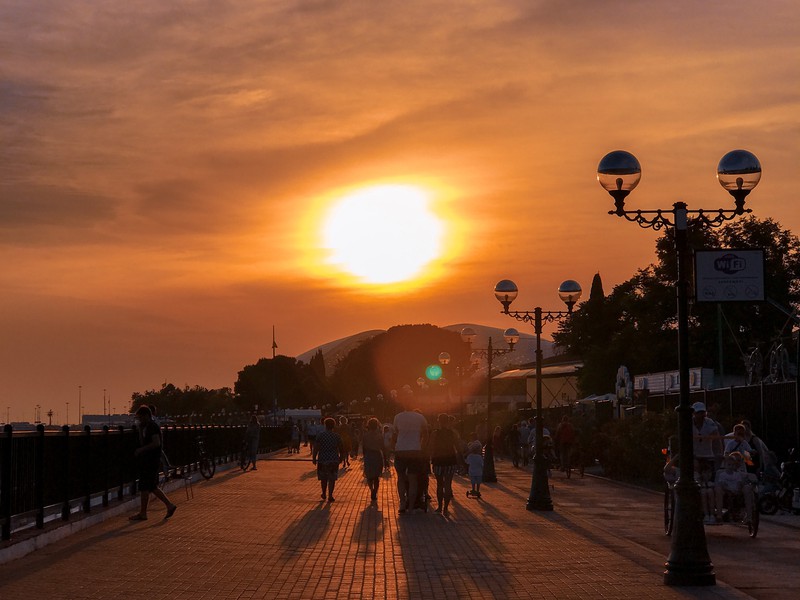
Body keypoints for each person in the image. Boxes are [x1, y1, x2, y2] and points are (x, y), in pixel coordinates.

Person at [129, 405, 177, 521]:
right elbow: (142, 441)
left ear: (146, 416)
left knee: (147, 486)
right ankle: (167, 506)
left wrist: (141, 450)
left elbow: (156, 443)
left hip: (151, 460)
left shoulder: (152, 426)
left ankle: (145, 513)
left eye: (140, 418)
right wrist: (140, 430)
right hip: (148, 460)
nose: (139, 420)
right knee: (149, 486)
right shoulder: (146, 427)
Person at [392, 386, 429, 514]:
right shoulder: (420, 417)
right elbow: (426, 433)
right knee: (413, 479)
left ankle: (402, 503)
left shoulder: (397, 417)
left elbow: (396, 433)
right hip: (415, 450)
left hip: (401, 450)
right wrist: (422, 446)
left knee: (401, 478)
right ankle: (412, 506)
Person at [429, 413, 460, 516]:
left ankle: (439, 506)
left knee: (439, 484)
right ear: (447, 421)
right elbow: (458, 447)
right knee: (447, 485)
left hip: (438, 460)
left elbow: (431, 447)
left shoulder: (435, 433)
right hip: (450, 461)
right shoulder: (452, 433)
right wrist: (462, 461)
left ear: (439, 421)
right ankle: (446, 508)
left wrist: (430, 458)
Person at [714, 452, 755, 524]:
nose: (735, 463)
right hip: (725, 493)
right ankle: (719, 515)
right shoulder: (721, 473)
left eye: (738, 461)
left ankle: (749, 517)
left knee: (748, 488)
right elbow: (719, 484)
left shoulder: (741, 474)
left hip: (738, 493)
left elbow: (746, 481)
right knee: (718, 488)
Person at [312, 417, 344, 502]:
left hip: (323, 458)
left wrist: (314, 457)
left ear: (325, 425)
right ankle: (330, 495)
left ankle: (323, 493)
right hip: (333, 459)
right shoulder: (336, 436)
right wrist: (341, 457)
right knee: (332, 478)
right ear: (334, 426)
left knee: (323, 478)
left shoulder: (321, 435)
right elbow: (341, 448)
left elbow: (316, 447)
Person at [691, 402, 719, 483]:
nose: (701, 415)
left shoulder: (709, 422)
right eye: (698, 413)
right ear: (694, 413)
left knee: (709, 476)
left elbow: (716, 438)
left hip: (707, 454)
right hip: (694, 455)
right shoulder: (688, 423)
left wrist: (719, 453)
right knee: (696, 475)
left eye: (702, 413)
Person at [362, 418, 384, 502]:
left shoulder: (365, 435)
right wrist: (385, 459)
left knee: (369, 476)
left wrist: (364, 456)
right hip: (377, 455)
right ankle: (375, 491)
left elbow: (363, 447)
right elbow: (382, 447)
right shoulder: (379, 435)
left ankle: (371, 489)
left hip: (368, 455)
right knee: (376, 476)